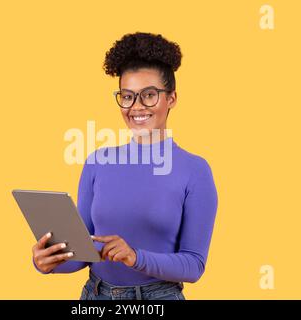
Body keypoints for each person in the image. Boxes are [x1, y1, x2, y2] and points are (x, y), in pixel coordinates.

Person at [32, 32, 218, 300]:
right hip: (95, 295)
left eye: (149, 95)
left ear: (172, 99)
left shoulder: (195, 171)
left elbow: (194, 265)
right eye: (127, 96)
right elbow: (83, 253)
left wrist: (135, 257)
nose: (136, 107)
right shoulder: (97, 162)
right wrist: (47, 261)